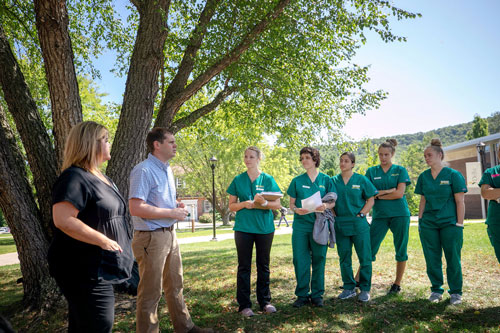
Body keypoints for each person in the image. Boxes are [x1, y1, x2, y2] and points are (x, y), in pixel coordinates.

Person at [48, 121, 134, 332]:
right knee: (99, 325)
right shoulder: (74, 177)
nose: (109, 143)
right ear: (90, 144)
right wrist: (103, 240)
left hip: (101, 266)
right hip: (83, 269)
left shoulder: (101, 177)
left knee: (83, 326)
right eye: (105, 139)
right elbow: (63, 219)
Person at [129, 128, 212, 333]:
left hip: (169, 234)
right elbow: (136, 207)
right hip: (151, 238)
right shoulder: (143, 170)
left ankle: (185, 328)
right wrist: (171, 212)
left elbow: (159, 200)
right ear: (157, 145)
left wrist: (176, 206)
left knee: (175, 285)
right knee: (151, 293)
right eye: (171, 142)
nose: (175, 145)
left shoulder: (167, 169)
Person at [227, 146, 282, 317]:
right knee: (244, 266)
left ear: (258, 159)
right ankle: (244, 305)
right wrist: (245, 204)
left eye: (251, 156)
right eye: (245, 156)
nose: (247, 159)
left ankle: (264, 301)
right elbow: (231, 206)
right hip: (243, 228)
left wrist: (263, 203)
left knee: (263, 266)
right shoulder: (238, 180)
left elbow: (277, 204)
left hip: (264, 228)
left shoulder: (268, 179)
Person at [415, 138, 467, 305]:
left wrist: (460, 224)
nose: (426, 158)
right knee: (432, 258)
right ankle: (436, 290)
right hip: (429, 223)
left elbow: (460, 201)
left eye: (429, 155)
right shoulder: (423, 176)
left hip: (450, 223)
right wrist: (420, 221)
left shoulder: (453, 175)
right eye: (424, 156)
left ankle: (456, 292)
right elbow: (422, 200)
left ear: (440, 155)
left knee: (453, 258)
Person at [356, 139, 411, 294]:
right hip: (379, 216)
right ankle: (358, 279)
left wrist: (378, 195)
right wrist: (387, 191)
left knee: (401, 248)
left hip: (400, 214)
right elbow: (368, 194)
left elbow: (399, 194)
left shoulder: (400, 170)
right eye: (380, 154)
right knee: (370, 247)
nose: (383, 157)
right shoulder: (371, 172)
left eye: (386, 154)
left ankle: (397, 284)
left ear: (392, 154)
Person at [287, 147, 336, 308]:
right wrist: (296, 210)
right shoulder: (297, 181)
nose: (304, 161)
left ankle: (317, 295)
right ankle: (301, 295)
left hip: (320, 225)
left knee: (319, 259)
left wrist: (325, 206)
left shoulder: (326, 180)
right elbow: (291, 204)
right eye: (301, 158)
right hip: (301, 226)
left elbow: (333, 202)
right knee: (300, 260)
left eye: (307, 157)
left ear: (315, 159)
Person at [332, 152, 377, 302]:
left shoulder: (361, 180)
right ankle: (349, 287)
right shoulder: (333, 181)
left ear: (352, 164)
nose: (343, 163)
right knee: (344, 258)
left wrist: (362, 214)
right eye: (341, 161)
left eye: (346, 161)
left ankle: (365, 288)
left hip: (359, 224)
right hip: (341, 224)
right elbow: (329, 200)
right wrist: (334, 216)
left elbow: (371, 199)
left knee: (365, 257)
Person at [479, 144, 500, 263]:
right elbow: (485, 193)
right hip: (496, 222)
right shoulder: (491, 172)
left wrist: (496, 193)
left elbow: (491, 193)